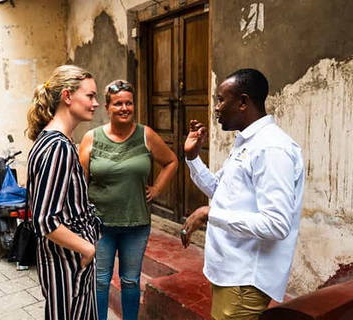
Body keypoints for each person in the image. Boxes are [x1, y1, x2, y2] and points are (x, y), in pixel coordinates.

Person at [181, 69, 305, 320]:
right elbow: (221, 192)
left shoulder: (271, 148)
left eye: (220, 99)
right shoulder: (248, 143)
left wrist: (208, 214)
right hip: (230, 272)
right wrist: (193, 158)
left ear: (243, 102)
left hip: (245, 278)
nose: (215, 108)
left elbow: (276, 224)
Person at [79, 79, 178, 320]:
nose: (124, 108)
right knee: (100, 281)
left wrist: (156, 189)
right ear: (107, 107)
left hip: (136, 224)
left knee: (131, 280)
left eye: (129, 103)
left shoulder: (146, 135)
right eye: (118, 104)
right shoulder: (91, 138)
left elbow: (171, 161)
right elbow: (80, 182)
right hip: (100, 225)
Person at [26, 65, 102, 320]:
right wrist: (87, 249)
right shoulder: (58, 146)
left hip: (67, 260)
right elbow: (45, 220)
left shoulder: (51, 141)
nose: (96, 103)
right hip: (67, 262)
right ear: (68, 96)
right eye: (90, 96)